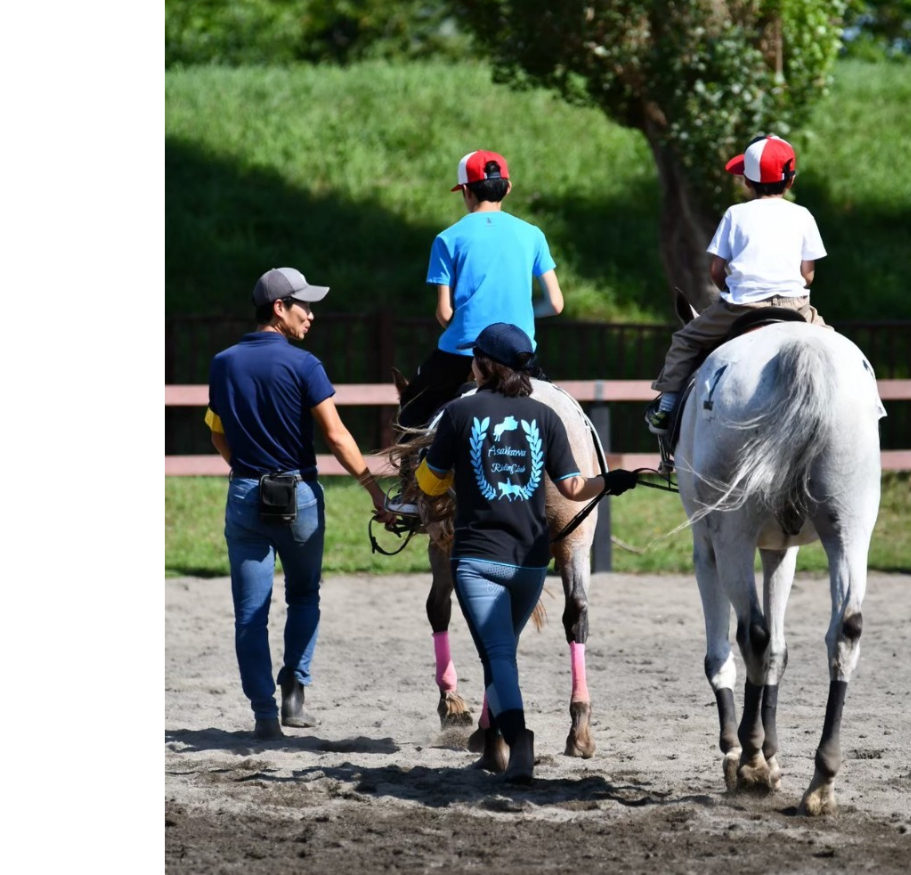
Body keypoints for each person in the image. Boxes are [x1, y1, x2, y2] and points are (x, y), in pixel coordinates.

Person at [412, 322, 640, 783]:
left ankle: (519, 740)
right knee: (501, 653)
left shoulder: (459, 413)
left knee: (498, 655)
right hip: (531, 564)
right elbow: (574, 488)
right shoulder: (549, 418)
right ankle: (492, 744)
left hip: (477, 559)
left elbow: (430, 484)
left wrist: (441, 476)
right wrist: (613, 480)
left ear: (484, 366)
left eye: (475, 358)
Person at [206, 266, 395, 740]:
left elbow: (215, 429)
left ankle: (264, 715)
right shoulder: (305, 365)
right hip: (299, 499)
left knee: (250, 613)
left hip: (247, 495)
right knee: (304, 595)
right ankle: (294, 686)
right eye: (303, 305)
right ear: (279, 308)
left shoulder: (223, 363)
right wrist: (374, 490)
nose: (310, 315)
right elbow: (335, 435)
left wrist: (241, 466)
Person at [389, 150, 564, 517]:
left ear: (466, 192)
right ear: (508, 188)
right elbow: (556, 303)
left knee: (413, 409)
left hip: (463, 353)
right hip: (519, 352)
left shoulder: (448, 238)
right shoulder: (532, 234)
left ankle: (409, 494)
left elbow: (444, 312)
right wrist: (517, 318)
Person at [645, 133, 829, 433]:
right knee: (836, 345)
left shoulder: (735, 214)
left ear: (746, 181)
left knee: (686, 340)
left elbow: (716, 270)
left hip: (742, 306)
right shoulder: (803, 215)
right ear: (790, 180)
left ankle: (665, 410)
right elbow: (808, 275)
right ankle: (868, 405)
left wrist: (729, 288)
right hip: (796, 306)